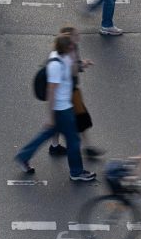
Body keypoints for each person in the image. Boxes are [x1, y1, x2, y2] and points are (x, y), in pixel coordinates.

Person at [14, 34, 96, 181]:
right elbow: (51, 92)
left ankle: (23, 156)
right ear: (64, 47)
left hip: (64, 107)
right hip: (62, 109)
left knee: (46, 134)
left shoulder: (61, 56)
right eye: (70, 46)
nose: (73, 47)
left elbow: (70, 71)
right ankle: (76, 172)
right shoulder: (55, 66)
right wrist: (51, 116)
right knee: (74, 140)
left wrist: (82, 64)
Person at [49, 25, 104, 157]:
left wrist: (82, 63)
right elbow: (72, 70)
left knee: (72, 119)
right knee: (80, 118)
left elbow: (74, 67)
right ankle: (85, 148)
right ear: (69, 38)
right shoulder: (68, 51)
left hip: (71, 91)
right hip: (69, 93)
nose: (79, 37)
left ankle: (55, 145)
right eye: (76, 35)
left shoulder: (70, 49)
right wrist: (78, 63)